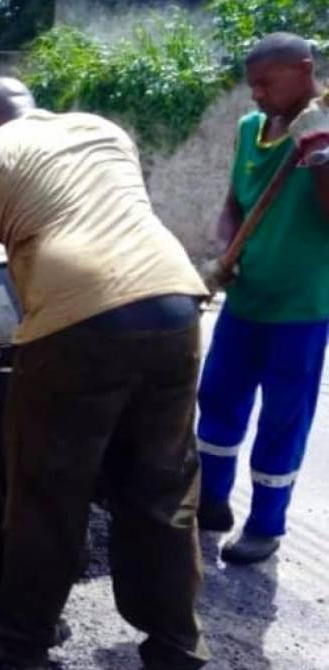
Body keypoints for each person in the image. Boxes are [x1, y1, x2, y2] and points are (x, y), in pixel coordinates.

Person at [0, 77, 211, 669]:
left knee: (49, 493)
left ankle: (21, 644)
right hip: (174, 306)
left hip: (80, 323)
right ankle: (177, 647)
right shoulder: (103, 130)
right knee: (161, 488)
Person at [196, 33, 329, 565]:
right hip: (245, 299)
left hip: (302, 309)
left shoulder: (324, 131)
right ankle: (210, 500)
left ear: (304, 69)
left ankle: (265, 526)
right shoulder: (250, 129)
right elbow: (235, 202)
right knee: (218, 398)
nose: (256, 94)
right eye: (252, 85)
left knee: (283, 417)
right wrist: (223, 249)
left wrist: (319, 150)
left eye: (265, 83)